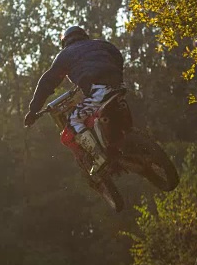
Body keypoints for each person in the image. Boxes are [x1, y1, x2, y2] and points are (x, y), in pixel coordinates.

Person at [24, 26, 124, 175]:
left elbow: (48, 82)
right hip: (118, 87)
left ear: (65, 41)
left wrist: (33, 110)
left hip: (99, 92)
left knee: (73, 120)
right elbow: (118, 57)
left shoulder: (66, 55)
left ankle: (98, 156)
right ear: (84, 35)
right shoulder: (101, 44)